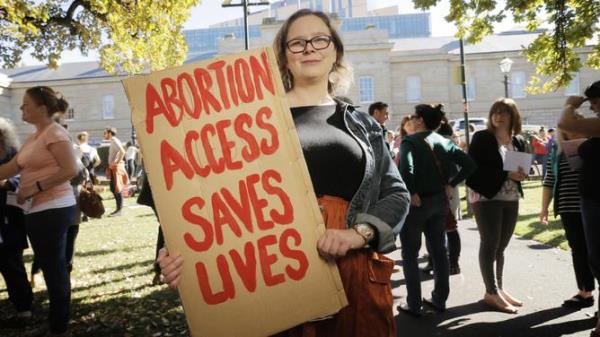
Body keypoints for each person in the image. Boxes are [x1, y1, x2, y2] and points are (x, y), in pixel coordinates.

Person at [157, 9, 410, 337]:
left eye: (320, 39)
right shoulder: (242, 121)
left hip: (351, 274)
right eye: (297, 43)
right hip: (271, 277)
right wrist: (178, 254)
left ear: (335, 52)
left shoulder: (363, 126)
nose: (309, 48)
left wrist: (356, 234)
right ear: (283, 57)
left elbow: (396, 194)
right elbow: (206, 194)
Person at [0, 86, 78, 337]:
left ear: (42, 108)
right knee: (50, 265)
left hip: (52, 209)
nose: (21, 108)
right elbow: (12, 167)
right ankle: (57, 323)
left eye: (26, 104)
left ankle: (59, 328)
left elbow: (71, 169)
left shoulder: (54, 133)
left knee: (54, 269)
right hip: (38, 211)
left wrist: (36, 186)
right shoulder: (36, 136)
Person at [398, 104, 476, 316]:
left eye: (414, 116)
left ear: (420, 120)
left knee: (410, 254)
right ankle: (439, 299)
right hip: (440, 201)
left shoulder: (410, 141)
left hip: (417, 204)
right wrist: (452, 183)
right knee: (439, 251)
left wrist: (411, 191)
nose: (412, 119)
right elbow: (469, 164)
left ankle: (414, 304)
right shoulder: (443, 140)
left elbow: (406, 167)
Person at [466, 98, 528, 314]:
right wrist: (506, 173)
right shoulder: (483, 137)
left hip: (511, 198)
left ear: (513, 116)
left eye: (504, 112)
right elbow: (472, 170)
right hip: (486, 198)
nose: (498, 116)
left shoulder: (518, 140)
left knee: (501, 246)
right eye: (495, 112)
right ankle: (490, 292)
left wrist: (521, 175)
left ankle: (499, 288)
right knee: (490, 242)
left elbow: (519, 170)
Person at [558, 80, 600, 337]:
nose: (593, 107)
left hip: (596, 202)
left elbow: (567, 124)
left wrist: (571, 104)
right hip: (592, 200)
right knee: (596, 261)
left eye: (596, 102)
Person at [540, 114, 595, 309]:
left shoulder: (592, 145)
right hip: (567, 207)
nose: (571, 129)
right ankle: (585, 291)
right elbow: (549, 180)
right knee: (578, 250)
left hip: (591, 205)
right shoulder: (557, 149)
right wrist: (544, 208)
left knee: (595, 252)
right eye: (567, 126)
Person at [0, 117, 33, 328]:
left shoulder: (15, 155)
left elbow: (25, 179)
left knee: (12, 265)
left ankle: (24, 309)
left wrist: (7, 182)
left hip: (11, 218)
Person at [103, 127, 128, 217]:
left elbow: (122, 151)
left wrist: (116, 163)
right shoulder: (113, 141)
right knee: (113, 187)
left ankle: (119, 210)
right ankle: (118, 209)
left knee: (117, 188)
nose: (104, 135)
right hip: (114, 168)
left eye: (105, 133)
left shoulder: (114, 140)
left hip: (116, 168)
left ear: (110, 133)